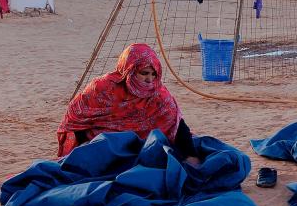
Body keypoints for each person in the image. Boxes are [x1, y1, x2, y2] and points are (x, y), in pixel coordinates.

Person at [57, 43, 200, 165]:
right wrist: (83, 146)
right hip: (103, 150)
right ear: (129, 70)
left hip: (143, 151)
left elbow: (176, 124)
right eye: (144, 73)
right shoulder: (102, 89)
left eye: (154, 74)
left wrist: (190, 156)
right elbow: (77, 117)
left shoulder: (159, 95)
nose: (150, 80)